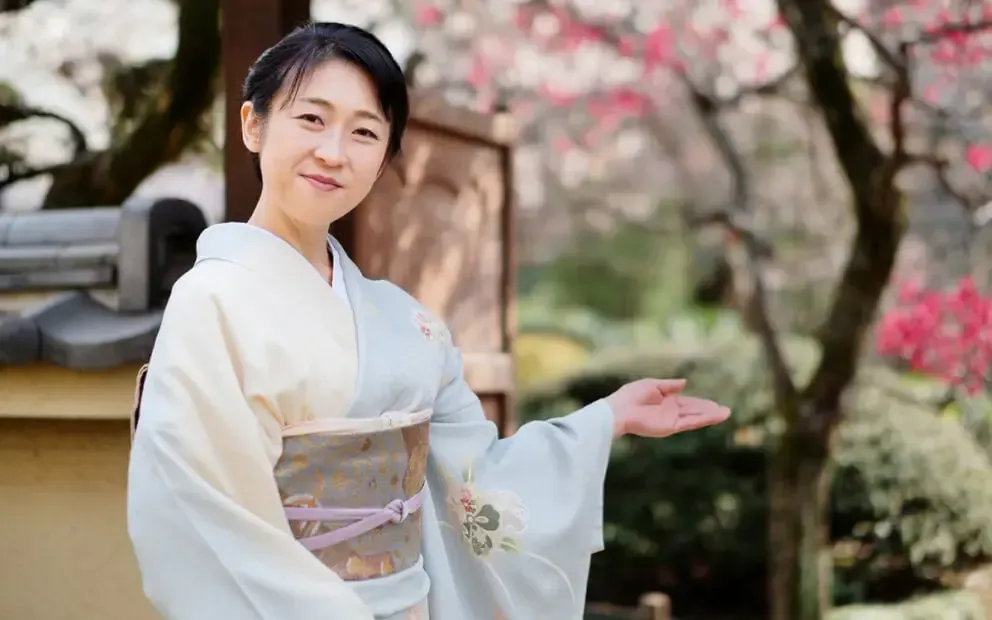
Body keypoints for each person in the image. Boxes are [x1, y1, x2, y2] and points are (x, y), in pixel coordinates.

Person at [125, 21, 731, 620]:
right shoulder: (213, 301)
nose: (333, 152)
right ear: (253, 125)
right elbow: (210, 519)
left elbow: (477, 476)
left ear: (386, 155)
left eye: (365, 132)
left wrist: (607, 419)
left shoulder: (405, 320)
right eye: (311, 119)